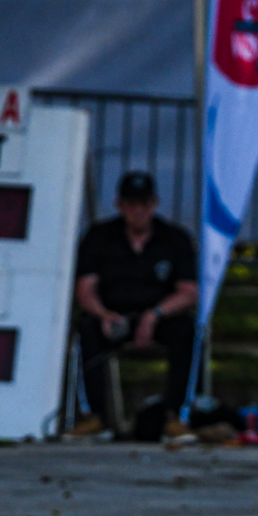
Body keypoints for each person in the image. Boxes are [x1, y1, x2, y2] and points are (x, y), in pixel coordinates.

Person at [72, 171, 199, 434]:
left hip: (159, 317)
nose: (137, 211)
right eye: (131, 205)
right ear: (120, 206)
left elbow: (188, 291)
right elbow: (85, 288)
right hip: (114, 316)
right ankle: (94, 415)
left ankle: (176, 415)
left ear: (154, 204)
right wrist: (103, 314)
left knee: (188, 331)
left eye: (144, 205)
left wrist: (155, 314)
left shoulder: (175, 238)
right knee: (86, 332)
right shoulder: (99, 237)